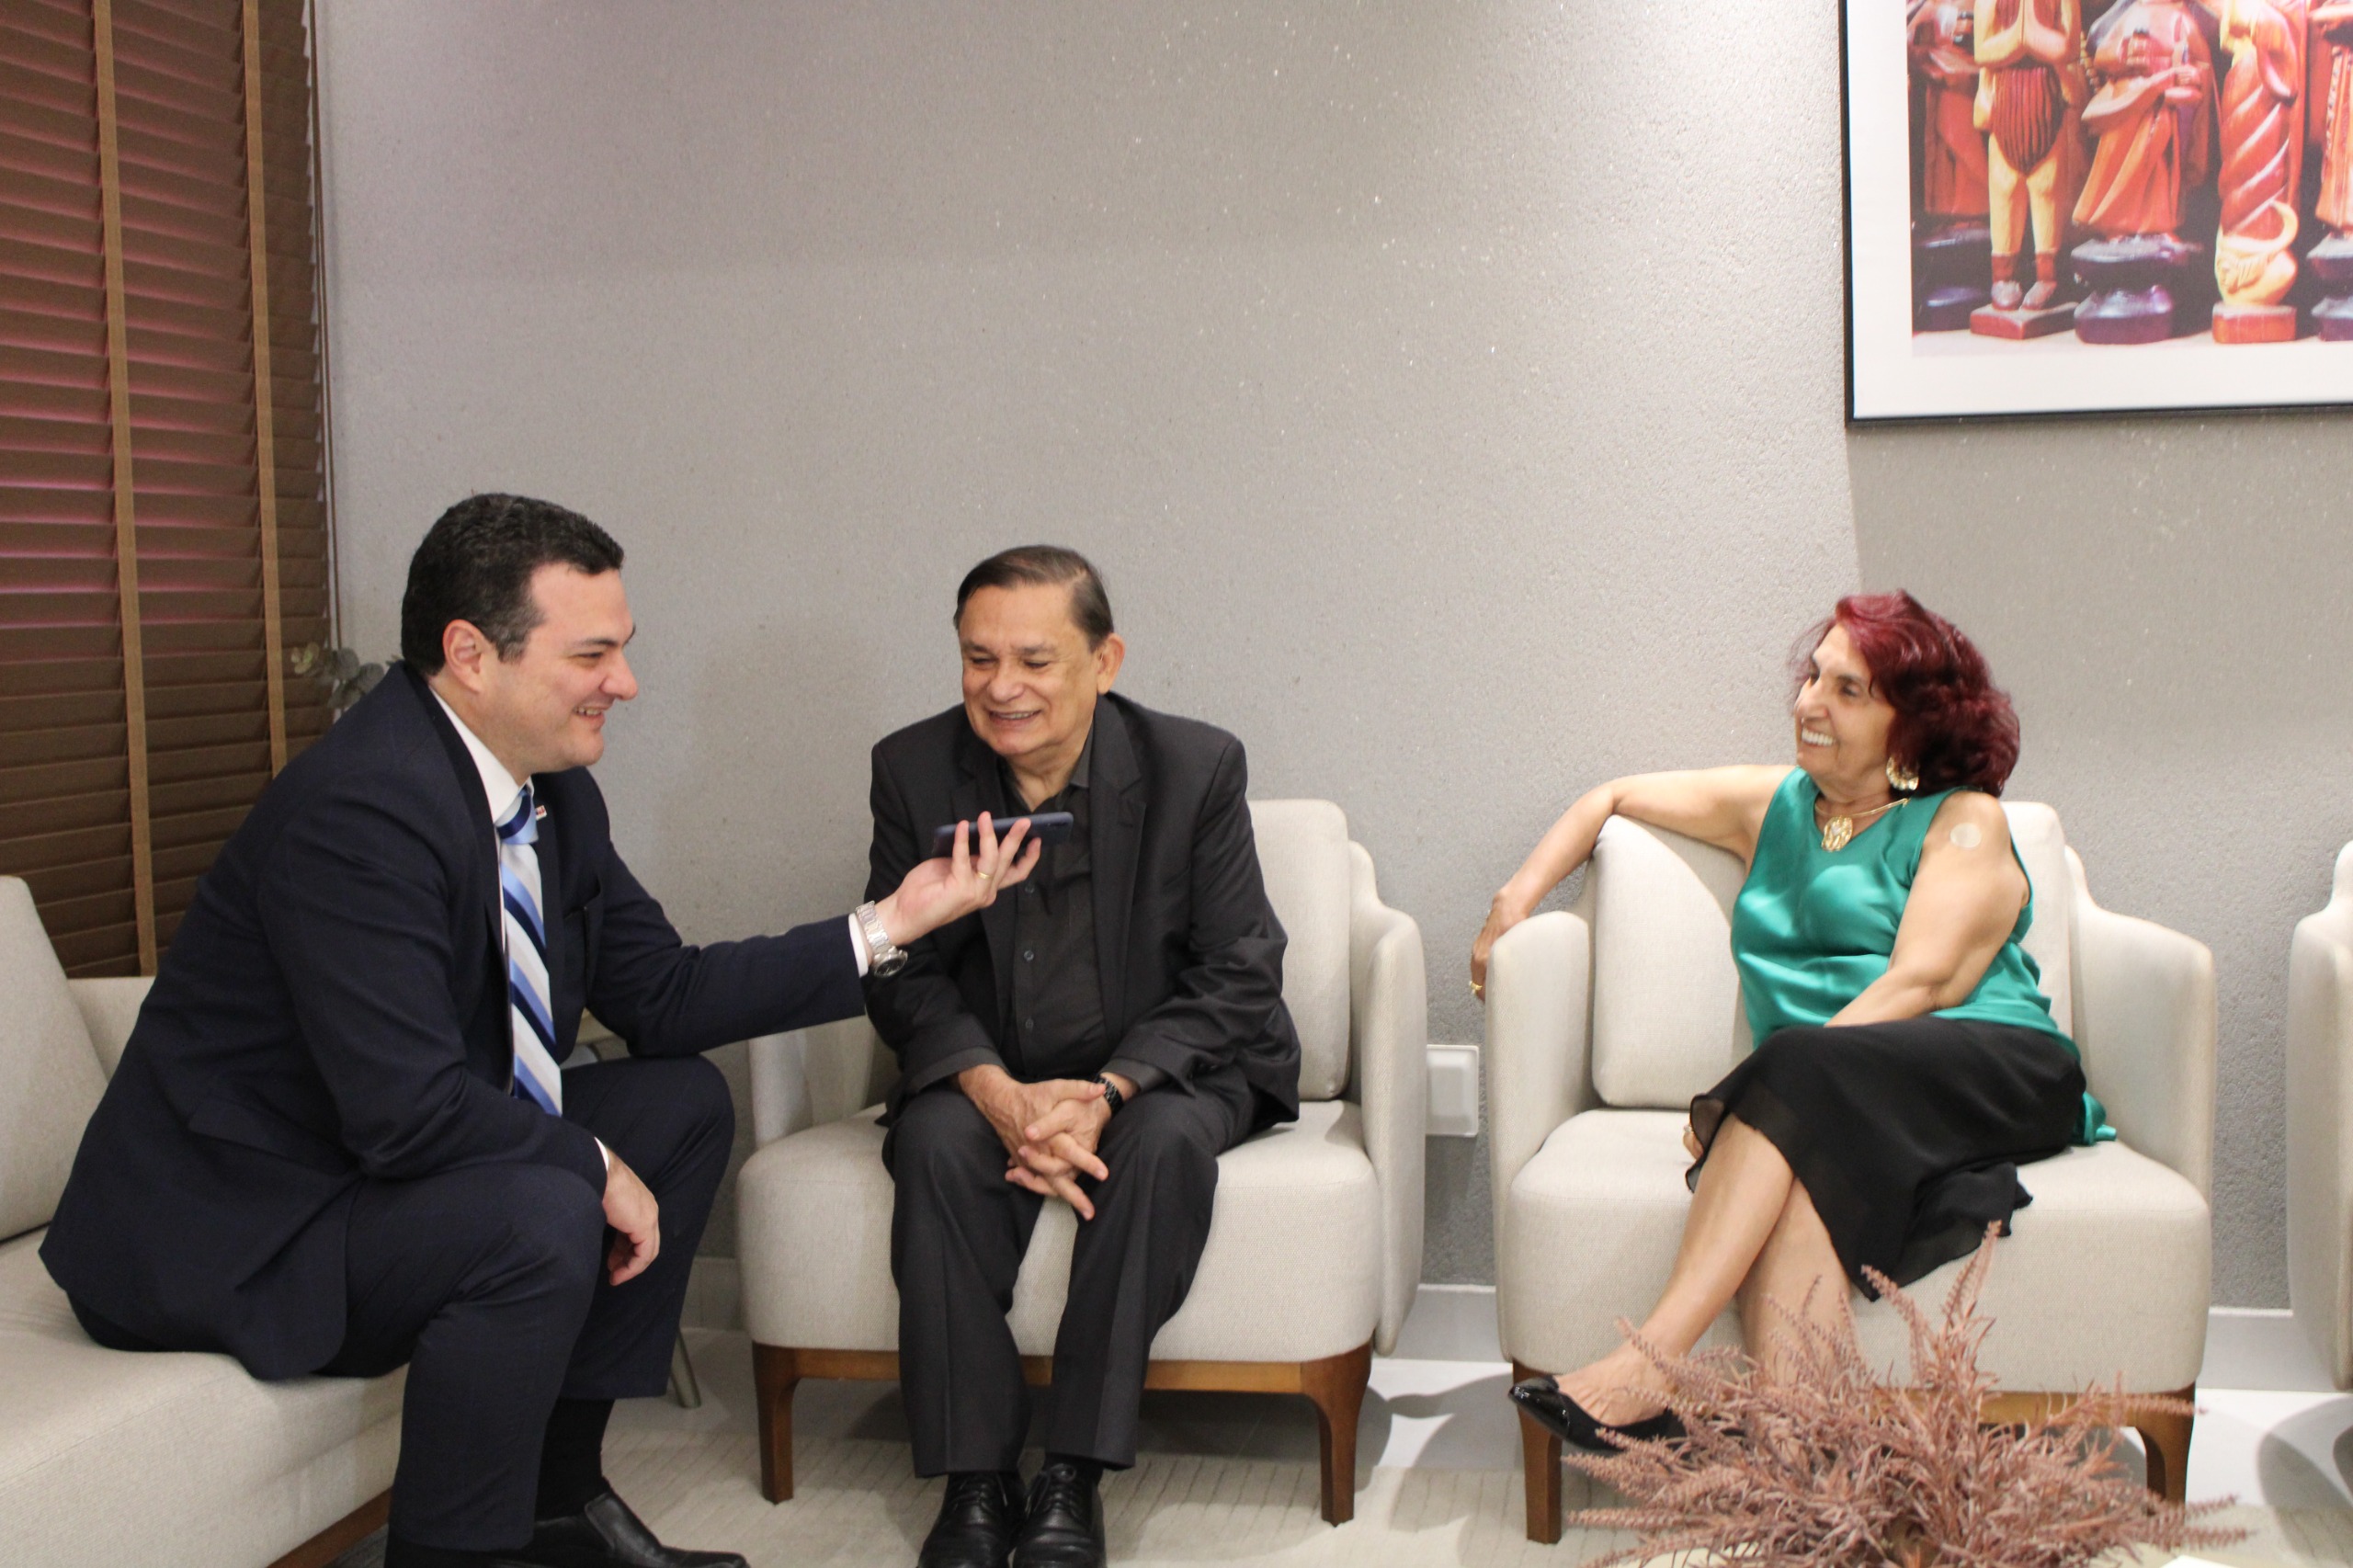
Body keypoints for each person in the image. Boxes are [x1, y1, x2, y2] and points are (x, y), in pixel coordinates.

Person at [40, 495, 1038, 1568]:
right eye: (593, 654)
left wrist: (890, 922)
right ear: (472, 654)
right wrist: (590, 1162)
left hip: (359, 1163)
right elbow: (404, 1109)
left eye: (623, 648)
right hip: (241, 1218)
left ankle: (557, 1500)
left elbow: (663, 994)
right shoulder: (359, 811)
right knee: (539, 1208)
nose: (626, 682)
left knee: (679, 1105)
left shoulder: (553, 796)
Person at [1469, 592, 2104, 1451]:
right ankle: (1809, 1469)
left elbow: (1920, 982)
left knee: (1798, 1083)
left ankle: (1651, 1365)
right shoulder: (1773, 805)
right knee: (1804, 1177)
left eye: (1848, 691)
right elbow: (1611, 797)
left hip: (1997, 1069)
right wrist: (1513, 901)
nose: (1810, 703)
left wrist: (1762, 1093)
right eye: (1813, 677)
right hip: (1843, 1097)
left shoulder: (1962, 819)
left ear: (1910, 727)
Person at [863, 546, 1302, 1568]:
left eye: (1034, 660)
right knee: (932, 1144)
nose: (1001, 687)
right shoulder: (912, 769)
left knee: (1156, 1146)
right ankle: (975, 1479)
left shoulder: (1194, 766)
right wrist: (992, 1089)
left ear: (1104, 660)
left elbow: (1241, 966)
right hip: (991, 1065)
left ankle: (1074, 1469)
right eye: (978, 659)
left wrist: (1107, 1089)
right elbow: (898, 963)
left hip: (1164, 1068)